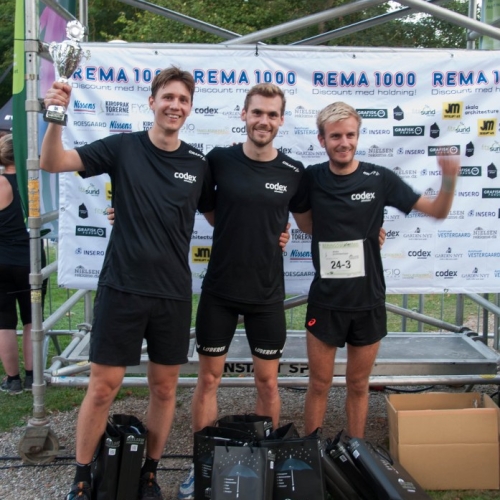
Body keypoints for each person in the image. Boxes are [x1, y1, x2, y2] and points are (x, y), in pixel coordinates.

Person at [41, 66, 213, 500]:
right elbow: (54, 162)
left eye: (183, 99)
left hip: (172, 294)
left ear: (190, 108)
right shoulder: (123, 147)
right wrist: (56, 117)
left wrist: (276, 232)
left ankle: (149, 474)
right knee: (103, 388)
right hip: (122, 287)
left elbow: (223, 215)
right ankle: (82, 478)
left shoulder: (198, 164)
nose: (175, 105)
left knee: (165, 389)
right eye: (168, 97)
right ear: (152, 101)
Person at [293, 102, 460, 438]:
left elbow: (438, 211)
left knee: (358, 385)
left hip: (367, 300)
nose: (344, 142)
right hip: (326, 301)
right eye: (335, 136)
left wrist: (449, 178)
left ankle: (357, 453)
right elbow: (307, 225)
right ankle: (311, 455)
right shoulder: (310, 178)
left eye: (350, 135)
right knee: (319, 384)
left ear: (358, 136)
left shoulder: (379, 178)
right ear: (322, 140)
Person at [177, 83, 306, 500]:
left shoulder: (293, 171)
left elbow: (308, 222)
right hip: (219, 291)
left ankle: (265, 465)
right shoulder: (219, 160)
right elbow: (205, 209)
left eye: (271, 114)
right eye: (257, 113)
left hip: (266, 296)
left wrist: (369, 232)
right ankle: (203, 466)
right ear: (244, 115)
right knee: (208, 380)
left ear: (281, 120)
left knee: (267, 384)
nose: (263, 121)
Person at [0, 134, 34, 395]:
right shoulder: (32, 183)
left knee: (5, 322)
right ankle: (33, 377)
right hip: (30, 260)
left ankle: (12, 380)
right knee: (32, 320)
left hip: (2, 260)